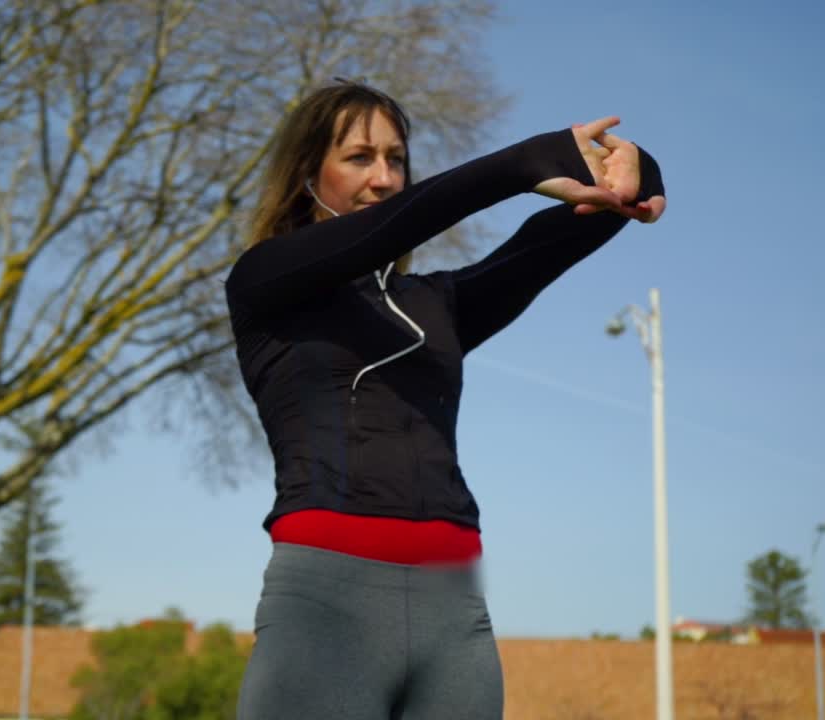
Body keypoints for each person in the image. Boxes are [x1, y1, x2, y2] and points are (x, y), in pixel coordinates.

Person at [225, 80, 665, 719]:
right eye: (358, 157)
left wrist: (630, 173)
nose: (383, 177)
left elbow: (551, 242)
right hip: (326, 603)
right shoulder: (265, 282)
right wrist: (524, 164)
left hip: (454, 611)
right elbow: (402, 222)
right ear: (305, 175)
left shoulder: (439, 304)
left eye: (396, 159)